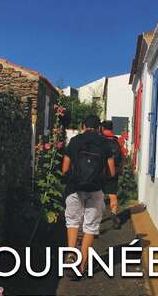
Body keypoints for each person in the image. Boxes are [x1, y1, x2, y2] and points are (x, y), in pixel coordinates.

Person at [62, 114, 115, 279]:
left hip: (74, 188)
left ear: (83, 126)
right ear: (99, 127)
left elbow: (65, 169)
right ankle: (82, 266)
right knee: (90, 227)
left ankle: (71, 254)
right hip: (96, 190)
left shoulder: (75, 141)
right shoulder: (105, 144)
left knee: (73, 222)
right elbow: (112, 172)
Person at [100, 120, 125, 229]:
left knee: (99, 195)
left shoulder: (100, 140)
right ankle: (114, 214)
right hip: (113, 172)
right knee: (112, 195)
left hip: (101, 171)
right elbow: (122, 156)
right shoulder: (117, 141)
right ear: (111, 129)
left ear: (102, 128)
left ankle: (97, 218)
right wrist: (121, 169)